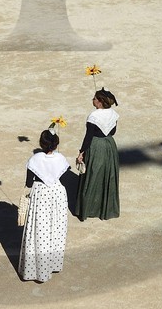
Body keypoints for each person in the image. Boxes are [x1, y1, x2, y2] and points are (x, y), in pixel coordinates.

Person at [19, 128, 70, 283]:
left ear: (41, 143)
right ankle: (53, 264)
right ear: (56, 144)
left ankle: (36, 270)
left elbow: (29, 182)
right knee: (56, 228)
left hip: (40, 194)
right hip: (58, 194)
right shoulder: (61, 158)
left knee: (39, 230)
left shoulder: (35, 159)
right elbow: (64, 176)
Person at [73, 89, 119, 221]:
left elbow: (88, 137)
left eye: (94, 98)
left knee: (92, 176)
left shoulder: (93, 116)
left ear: (99, 102)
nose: (92, 100)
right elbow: (113, 131)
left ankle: (87, 209)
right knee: (107, 175)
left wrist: (82, 152)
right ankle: (105, 209)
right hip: (110, 146)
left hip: (96, 147)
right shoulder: (113, 114)